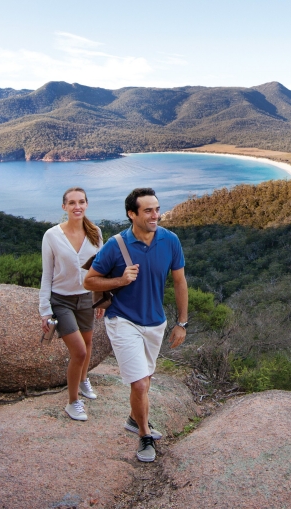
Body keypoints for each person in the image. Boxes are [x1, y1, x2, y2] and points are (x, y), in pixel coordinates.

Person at [84, 188, 188, 462]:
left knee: (146, 379)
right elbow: (90, 281)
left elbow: (179, 281)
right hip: (122, 319)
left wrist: (182, 322)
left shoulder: (170, 240)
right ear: (132, 214)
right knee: (140, 384)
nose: (156, 215)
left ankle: (134, 418)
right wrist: (120, 280)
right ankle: (144, 434)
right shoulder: (116, 245)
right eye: (148, 211)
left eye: (157, 209)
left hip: (156, 321)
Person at [40, 187, 104, 421]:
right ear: (64, 206)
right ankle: (73, 401)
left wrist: (100, 298)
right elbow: (47, 275)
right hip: (61, 300)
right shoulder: (52, 235)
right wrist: (44, 310)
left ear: (87, 204)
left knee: (87, 344)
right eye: (72, 203)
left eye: (81, 202)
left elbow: (101, 270)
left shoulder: (95, 232)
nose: (77, 206)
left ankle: (84, 379)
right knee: (78, 351)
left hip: (86, 297)